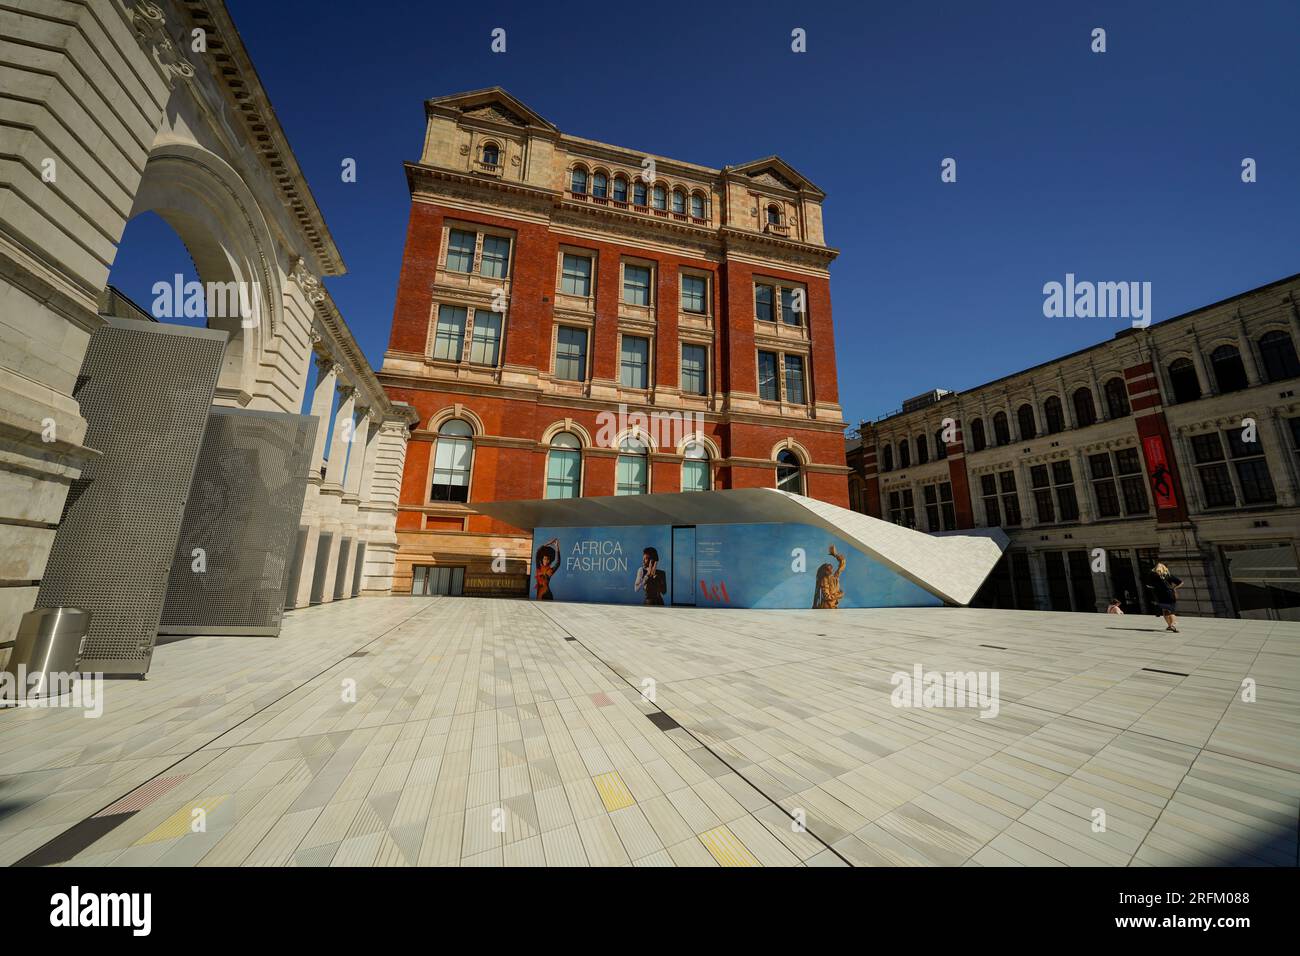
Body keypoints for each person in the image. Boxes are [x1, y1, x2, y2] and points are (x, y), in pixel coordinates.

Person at [1150, 562, 1182, 632]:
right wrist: (1174, 588)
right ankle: (1172, 625)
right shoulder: (1169, 575)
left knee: (1165, 610)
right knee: (1172, 610)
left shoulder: (1154, 577)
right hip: (1170, 594)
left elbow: (1151, 586)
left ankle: (1169, 625)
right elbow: (1180, 582)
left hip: (1160, 595)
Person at [813, 544, 845, 609]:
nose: (831, 571)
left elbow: (842, 564)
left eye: (831, 568)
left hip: (833, 607)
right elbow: (827, 597)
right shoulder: (824, 580)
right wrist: (839, 595)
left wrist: (836, 555)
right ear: (824, 571)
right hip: (827, 608)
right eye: (828, 569)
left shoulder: (834, 577)